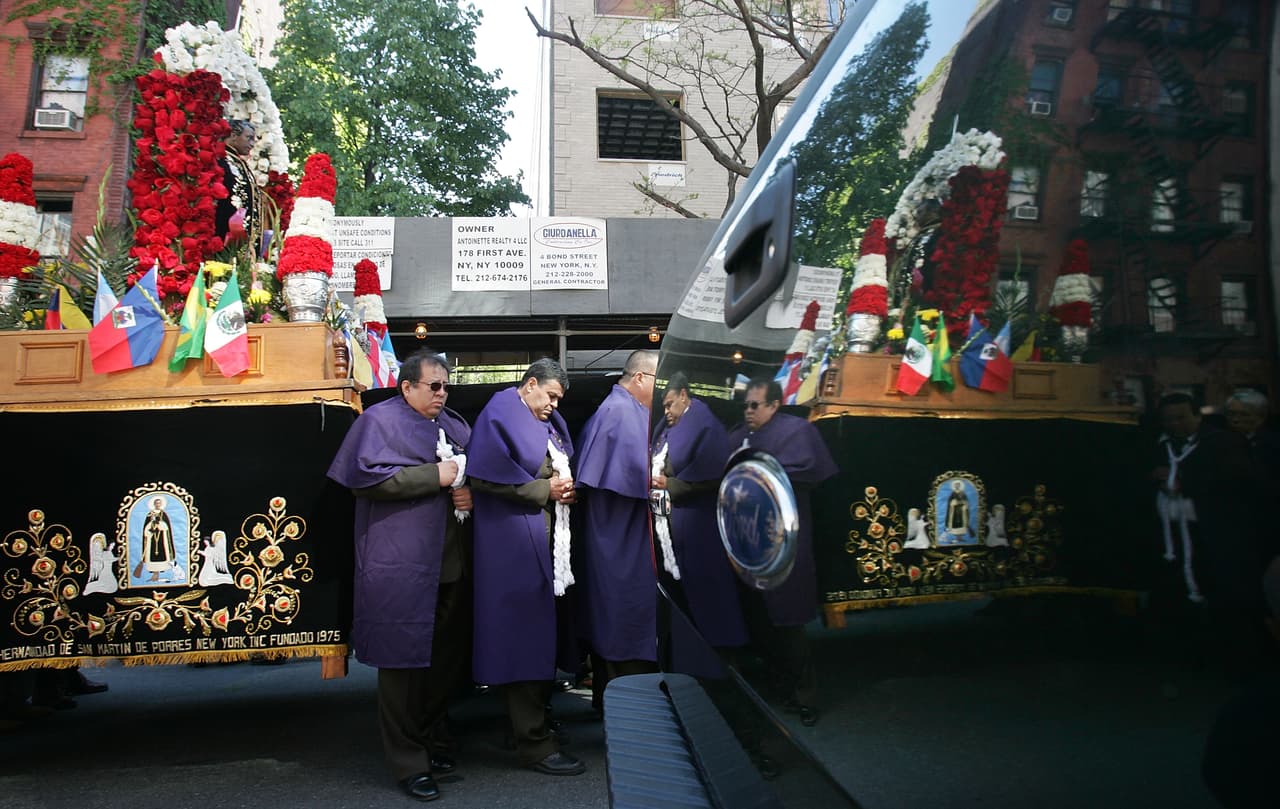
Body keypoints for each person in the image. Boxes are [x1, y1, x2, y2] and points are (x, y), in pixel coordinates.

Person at [327, 349, 473, 802]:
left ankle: (432, 738)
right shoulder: (378, 422)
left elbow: (465, 471)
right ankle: (408, 761)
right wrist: (436, 475)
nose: (441, 393)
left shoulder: (451, 422)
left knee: (442, 658)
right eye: (433, 386)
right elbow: (366, 480)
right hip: (400, 561)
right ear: (406, 386)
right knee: (401, 663)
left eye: (446, 385)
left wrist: (466, 491)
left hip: (447, 561)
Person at [467, 358, 585, 776]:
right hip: (512, 544)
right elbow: (484, 477)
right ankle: (534, 744)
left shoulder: (540, 418)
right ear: (530, 384)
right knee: (523, 641)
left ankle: (528, 727)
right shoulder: (501, 412)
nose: (554, 404)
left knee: (537, 638)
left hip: (543, 539)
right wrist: (544, 489)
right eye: (550, 395)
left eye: (558, 399)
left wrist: (560, 490)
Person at [727, 378, 838, 726]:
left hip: (784, 545)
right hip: (748, 544)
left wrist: (760, 473)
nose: (748, 411)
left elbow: (810, 473)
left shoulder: (796, 432)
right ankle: (778, 689)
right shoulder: (737, 435)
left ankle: (804, 697)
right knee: (760, 623)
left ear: (774, 405)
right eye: (745, 405)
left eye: (755, 405)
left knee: (790, 625)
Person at [574, 350, 662, 712]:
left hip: (619, 534)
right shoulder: (620, 413)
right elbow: (639, 477)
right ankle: (628, 709)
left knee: (616, 618)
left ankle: (616, 703)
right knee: (623, 619)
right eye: (660, 380)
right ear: (640, 377)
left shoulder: (625, 409)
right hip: (620, 539)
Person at [1151, 392, 1265, 670]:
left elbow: (1238, 479)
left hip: (1214, 534)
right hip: (1175, 537)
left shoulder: (1224, 443)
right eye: (1168, 420)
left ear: (1197, 416)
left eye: (1181, 418)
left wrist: (1184, 481)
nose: (1174, 424)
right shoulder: (1159, 445)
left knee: (1222, 595)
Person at [651, 371, 748, 664]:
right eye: (664, 406)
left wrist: (671, 484)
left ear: (684, 396)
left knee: (710, 594)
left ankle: (721, 660)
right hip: (670, 526)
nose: (666, 411)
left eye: (670, 404)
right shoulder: (667, 427)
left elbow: (713, 476)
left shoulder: (706, 427)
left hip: (700, 526)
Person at [215, 119, 262, 255]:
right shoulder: (220, 160)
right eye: (249, 138)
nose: (252, 144)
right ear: (234, 135)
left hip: (244, 241)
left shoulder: (238, 163)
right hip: (224, 237)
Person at [140, 497, 176, 582]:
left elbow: (167, 527)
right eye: (156, 503)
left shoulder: (164, 514)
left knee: (162, 552)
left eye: (159, 503)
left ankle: (159, 572)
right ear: (154, 504)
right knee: (152, 553)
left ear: (161, 504)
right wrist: (151, 524)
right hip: (152, 538)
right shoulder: (150, 514)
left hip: (162, 538)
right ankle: (154, 573)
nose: (158, 505)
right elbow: (146, 527)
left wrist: (160, 524)